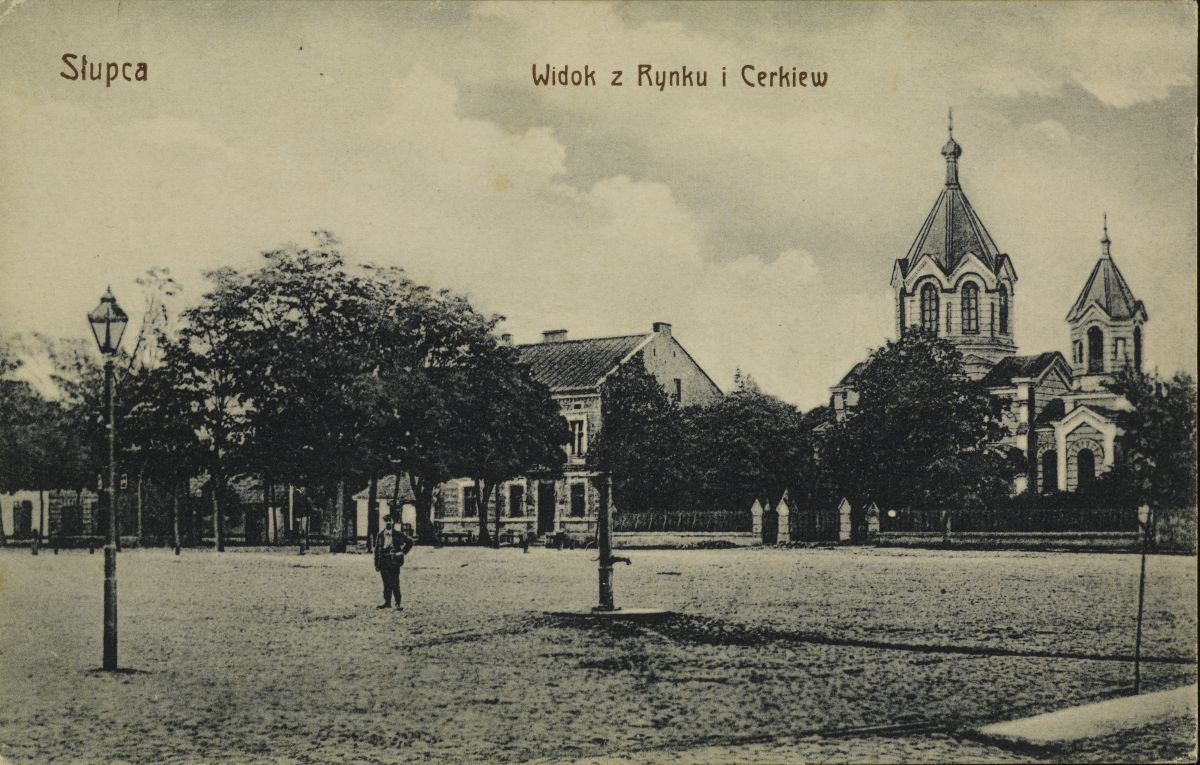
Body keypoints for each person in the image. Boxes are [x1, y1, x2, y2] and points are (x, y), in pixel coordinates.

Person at [373, 513, 415, 610]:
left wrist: (402, 552)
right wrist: (376, 563)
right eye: (387, 521)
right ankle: (387, 602)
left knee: (395, 582)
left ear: (393, 522)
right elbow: (376, 550)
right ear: (385, 522)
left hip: (394, 561)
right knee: (386, 583)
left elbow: (410, 542)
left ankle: (398, 603)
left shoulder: (398, 534)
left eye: (390, 521)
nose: (388, 522)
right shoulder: (380, 535)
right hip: (383, 561)